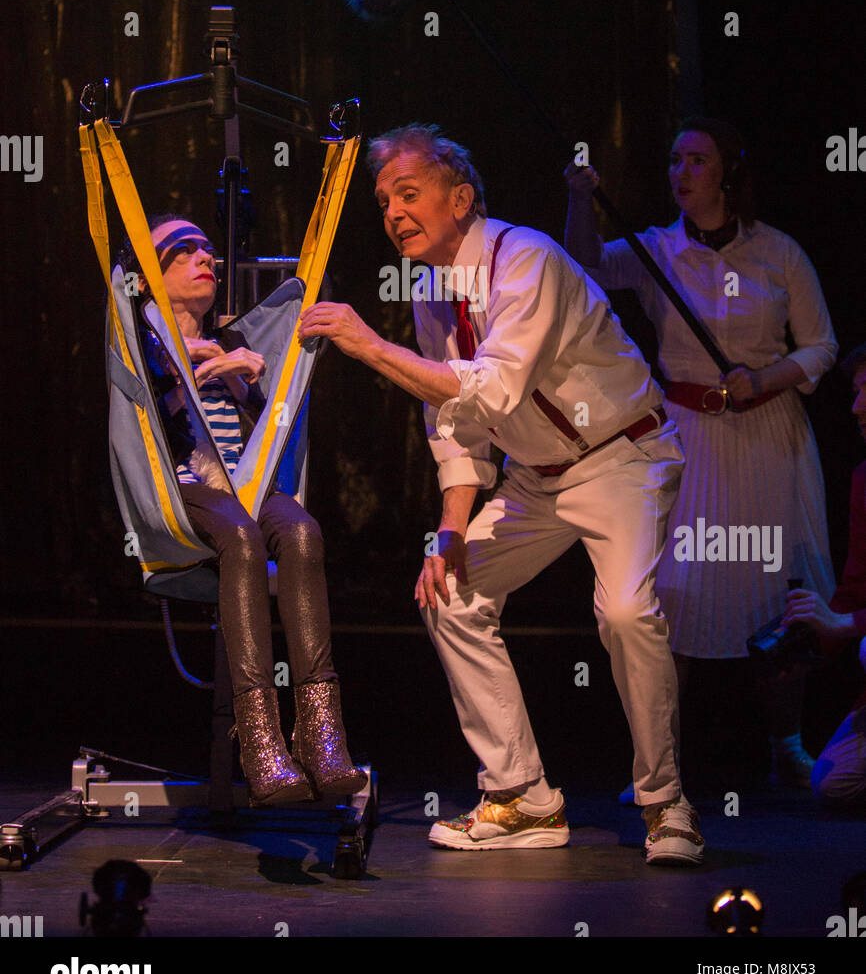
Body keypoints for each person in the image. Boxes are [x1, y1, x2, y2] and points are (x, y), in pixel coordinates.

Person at [297, 124, 705, 864]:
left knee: (622, 612)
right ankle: (522, 797)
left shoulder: (528, 258)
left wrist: (367, 344)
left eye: (409, 194)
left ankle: (666, 802)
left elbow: (495, 383)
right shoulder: (430, 292)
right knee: (450, 593)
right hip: (536, 480)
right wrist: (451, 531)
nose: (392, 212)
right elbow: (454, 421)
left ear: (461, 198)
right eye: (384, 200)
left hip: (620, 456)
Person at [563, 118, 837, 788]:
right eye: (674, 160)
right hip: (683, 438)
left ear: (726, 174)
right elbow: (584, 264)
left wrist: (763, 379)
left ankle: (786, 746)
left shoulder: (778, 254)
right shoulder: (657, 250)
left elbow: (822, 346)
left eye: (696, 160)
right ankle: (661, 762)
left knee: (778, 598)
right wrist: (578, 196)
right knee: (669, 597)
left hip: (767, 436)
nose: (680, 172)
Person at [117, 214, 365, 807]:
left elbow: (271, 434)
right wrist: (184, 375)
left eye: (209, 247)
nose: (205, 257)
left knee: (302, 532)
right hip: (181, 491)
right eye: (184, 250)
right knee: (240, 537)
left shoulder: (233, 343)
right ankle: (259, 738)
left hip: (245, 483)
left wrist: (246, 377)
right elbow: (144, 423)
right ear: (149, 276)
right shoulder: (139, 344)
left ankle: (321, 732)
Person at [784, 344, 866, 804]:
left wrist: (849, 626)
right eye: (856, 392)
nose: (857, 407)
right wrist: (810, 645)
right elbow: (856, 590)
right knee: (835, 782)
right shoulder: (863, 479)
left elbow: (854, 618)